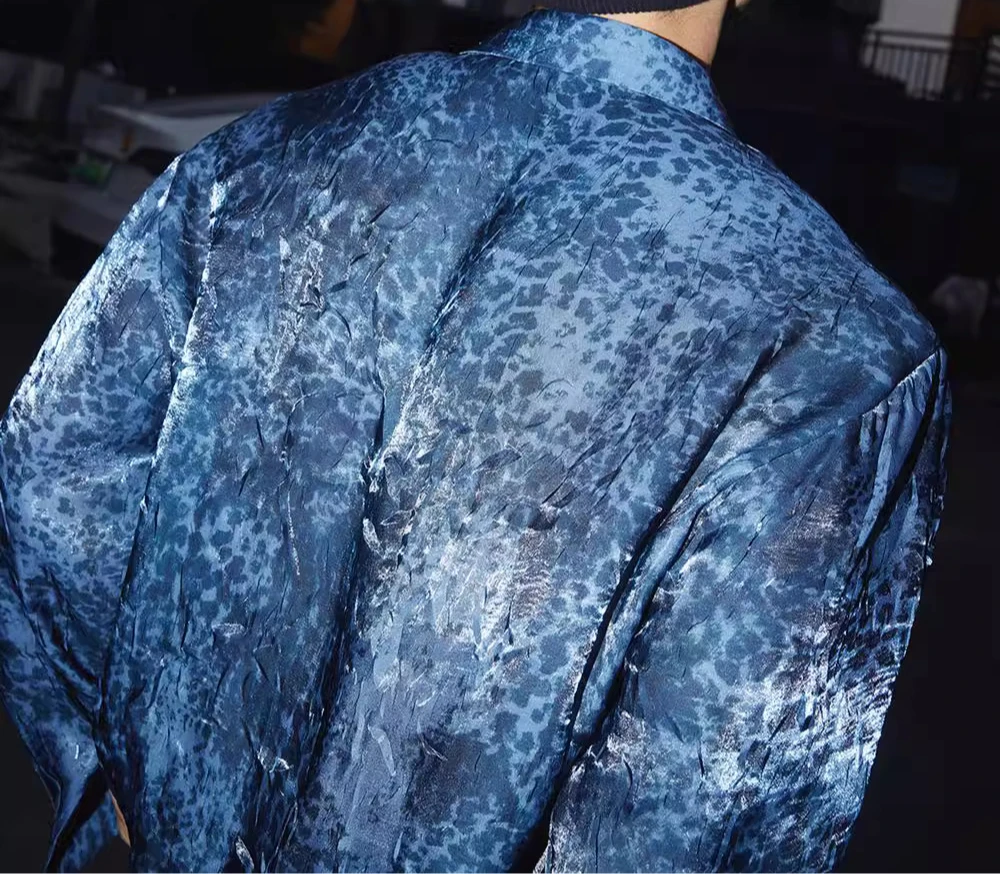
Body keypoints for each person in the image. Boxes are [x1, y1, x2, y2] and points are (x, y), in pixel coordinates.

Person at [0, 1, 950, 871]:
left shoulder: (263, 155)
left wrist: (122, 752)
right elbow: (706, 775)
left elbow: (56, 467)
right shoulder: (839, 343)